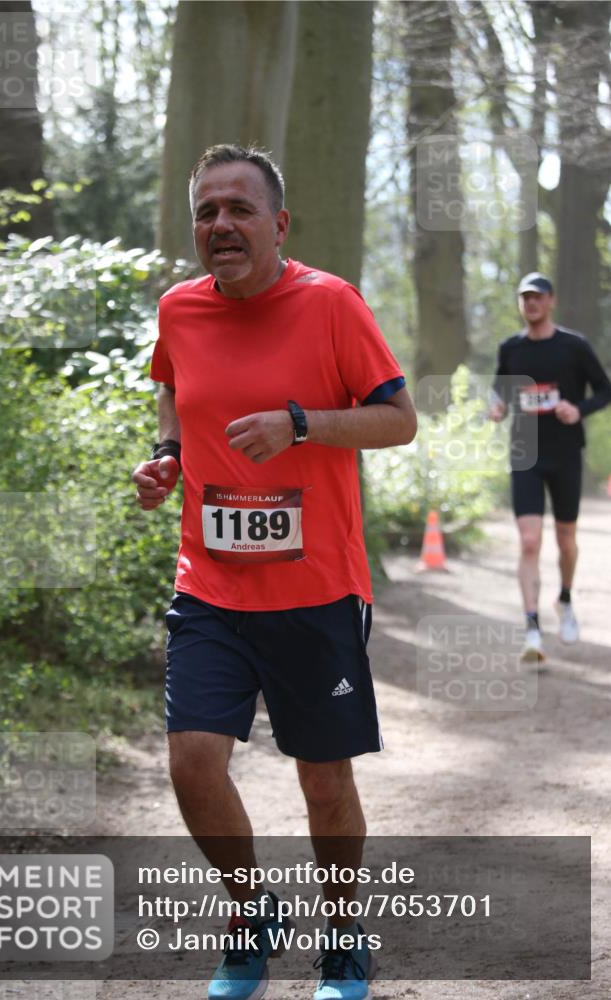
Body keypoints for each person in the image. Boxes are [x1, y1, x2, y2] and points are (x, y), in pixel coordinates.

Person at [132, 143, 416, 1000]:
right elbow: (173, 388)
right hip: (209, 584)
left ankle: (343, 938)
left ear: (279, 224)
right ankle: (252, 913)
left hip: (315, 590)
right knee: (192, 764)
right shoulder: (179, 309)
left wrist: (300, 424)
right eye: (206, 211)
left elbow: (397, 420)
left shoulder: (330, 303)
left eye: (239, 209)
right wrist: (167, 455)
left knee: (323, 781)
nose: (220, 224)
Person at [490, 272, 611, 662]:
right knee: (529, 541)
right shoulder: (511, 348)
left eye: (538, 297)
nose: (531, 303)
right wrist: (497, 406)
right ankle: (532, 629)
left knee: (565, 540)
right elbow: (500, 390)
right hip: (525, 453)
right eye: (525, 297)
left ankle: (565, 599)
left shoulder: (574, 346)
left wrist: (579, 409)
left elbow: (605, 390)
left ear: (551, 301)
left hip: (565, 454)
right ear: (520, 303)